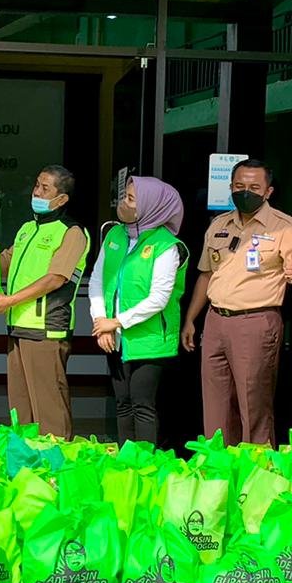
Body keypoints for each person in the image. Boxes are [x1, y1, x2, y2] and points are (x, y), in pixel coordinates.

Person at [180, 158, 292, 446]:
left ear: (268, 191)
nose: (245, 192)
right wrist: (191, 318)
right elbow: (206, 275)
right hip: (216, 321)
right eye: (239, 186)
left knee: (253, 404)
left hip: (255, 322)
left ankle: (257, 464)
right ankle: (219, 462)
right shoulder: (219, 224)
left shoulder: (284, 227)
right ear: (230, 187)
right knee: (215, 403)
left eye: (254, 187)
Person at [0, 165, 90, 440]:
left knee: (49, 411)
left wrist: (9, 301)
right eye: (36, 185)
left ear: (61, 199)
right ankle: (26, 462)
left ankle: (56, 463)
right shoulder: (27, 228)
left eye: (45, 188)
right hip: (18, 326)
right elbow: (4, 263)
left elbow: (55, 278)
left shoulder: (72, 232)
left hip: (46, 329)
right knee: (21, 410)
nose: (36, 192)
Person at [89, 176, 188, 445]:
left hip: (149, 339)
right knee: (122, 403)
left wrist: (116, 322)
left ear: (151, 206)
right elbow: (98, 280)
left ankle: (143, 463)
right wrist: (101, 321)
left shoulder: (166, 245)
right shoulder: (115, 235)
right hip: (114, 335)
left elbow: (159, 298)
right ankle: (126, 460)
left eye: (131, 199)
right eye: (125, 197)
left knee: (142, 404)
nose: (124, 203)